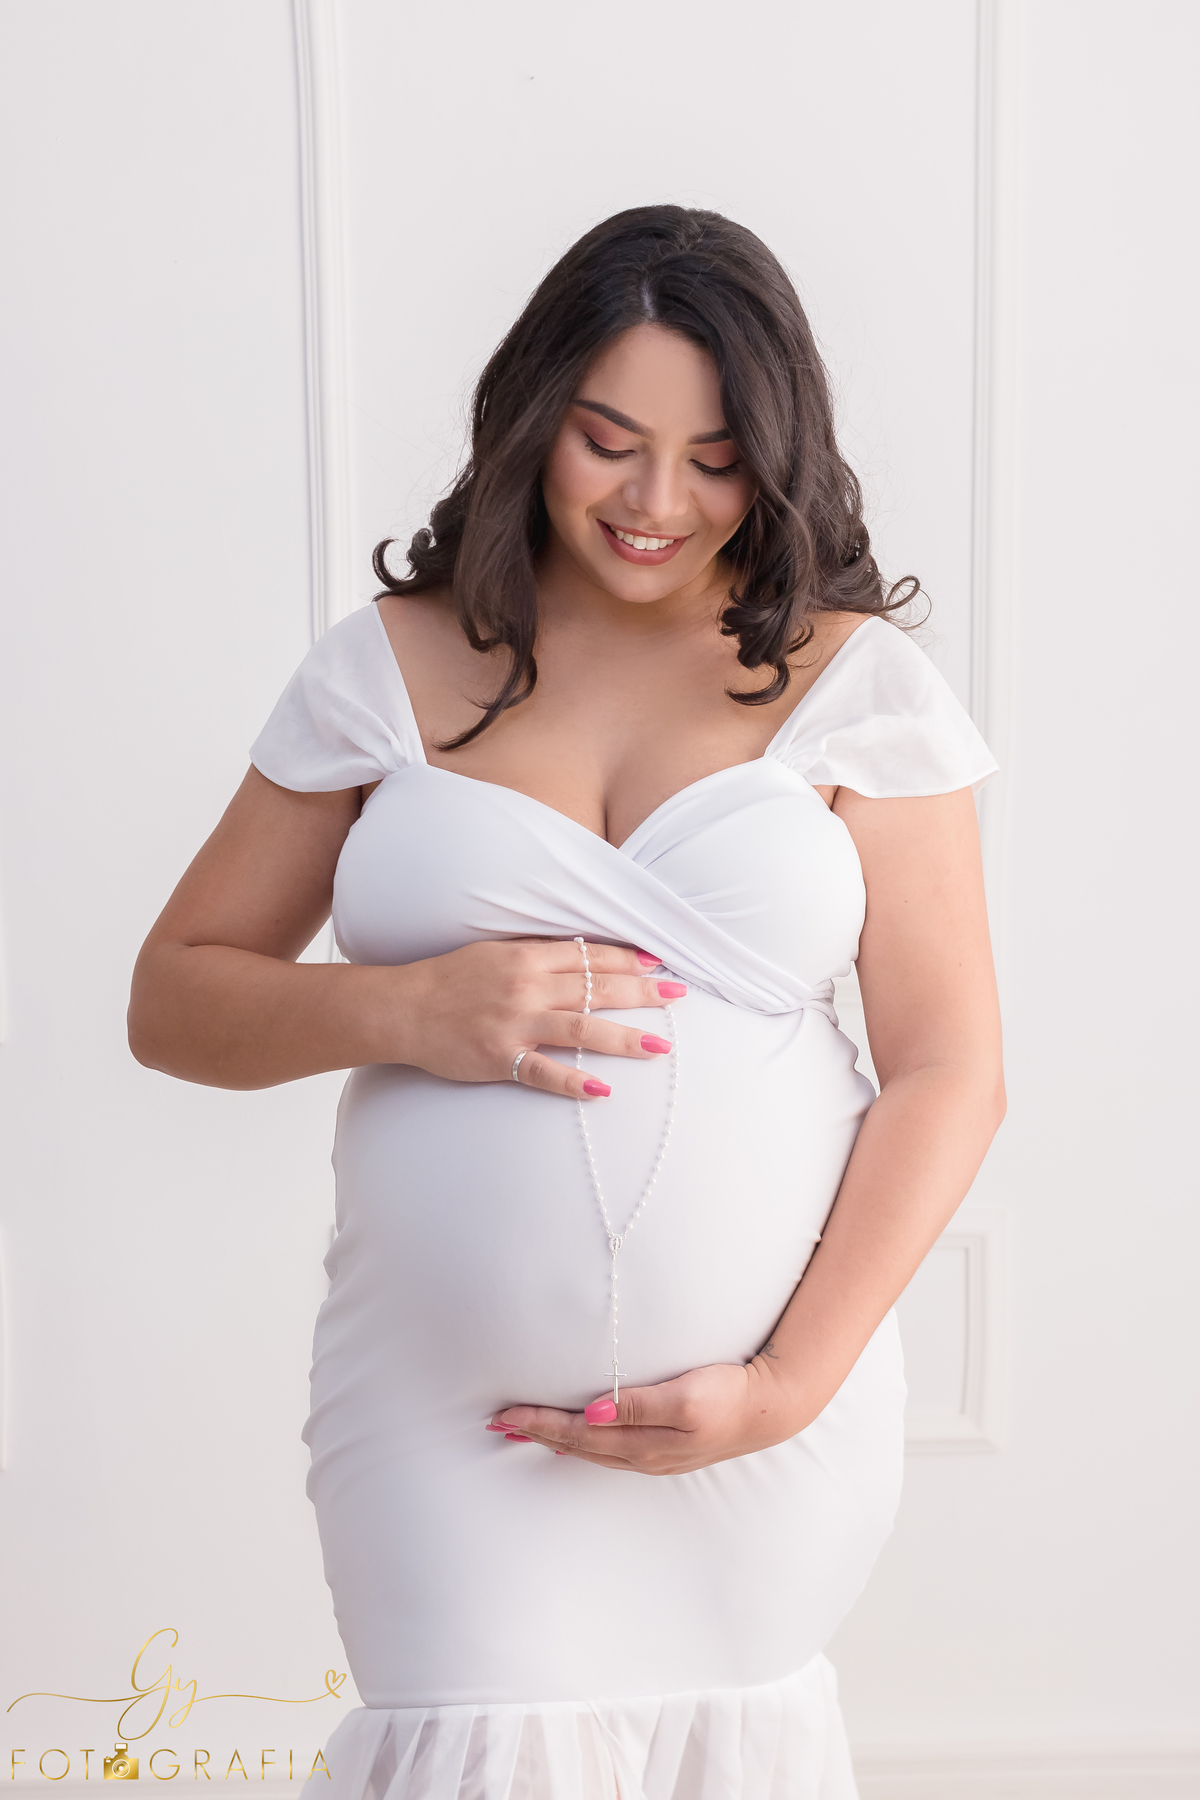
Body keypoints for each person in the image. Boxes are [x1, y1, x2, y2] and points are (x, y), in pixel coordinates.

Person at [129, 205, 1005, 1800]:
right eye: (609, 441)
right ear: (536, 418)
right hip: (441, 1430)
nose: (658, 501)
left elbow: (950, 1069)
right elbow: (174, 1001)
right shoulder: (392, 663)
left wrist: (787, 1386)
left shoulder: (851, 679)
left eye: (718, 456)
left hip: (763, 1434)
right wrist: (404, 1011)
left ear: (776, 460)